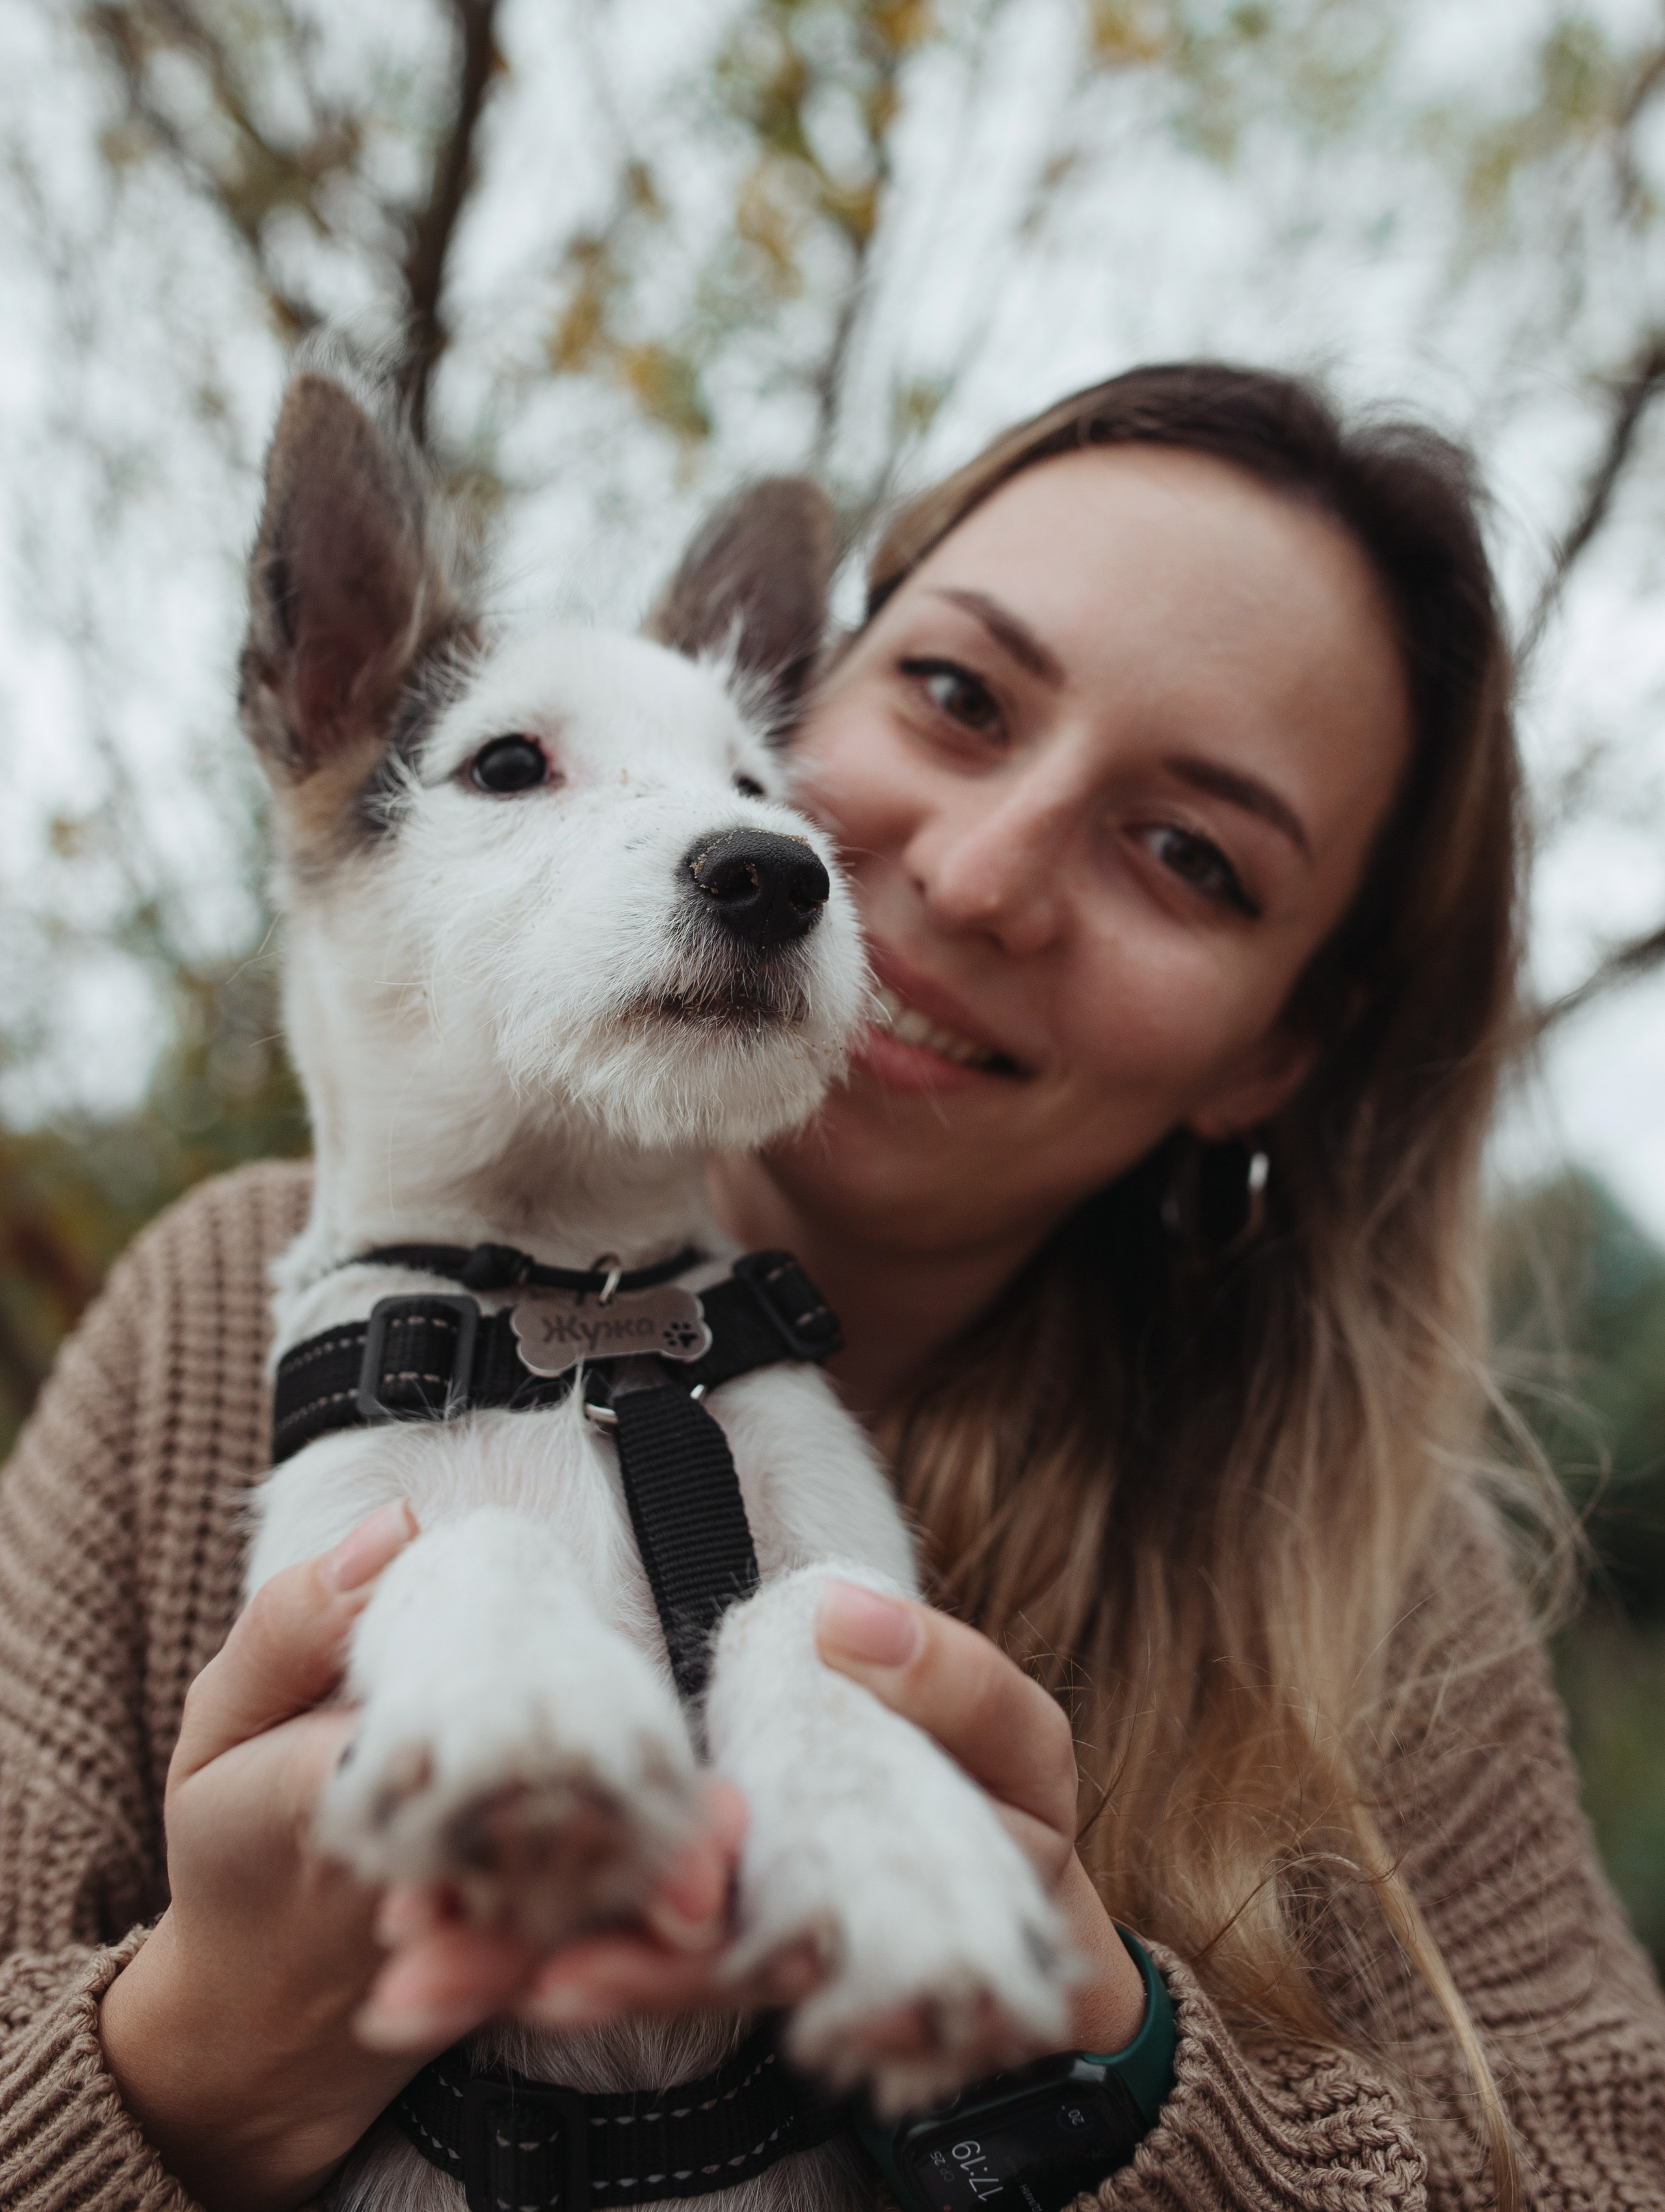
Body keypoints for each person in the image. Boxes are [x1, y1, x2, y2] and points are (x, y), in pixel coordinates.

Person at [1, 363, 1659, 2212]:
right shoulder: (211, 1325)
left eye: (1192, 856)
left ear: (1278, 1049)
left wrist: (1110, 2084)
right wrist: (190, 2055)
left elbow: (1598, 2160)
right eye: (956, 694)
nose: (976, 873)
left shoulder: (1366, 1575)